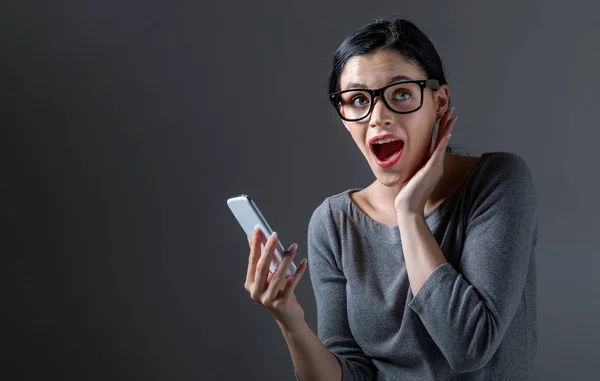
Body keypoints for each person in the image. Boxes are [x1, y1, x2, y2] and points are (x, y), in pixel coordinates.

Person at [244, 17, 538, 381]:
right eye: (357, 100)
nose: (378, 117)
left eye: (401, 93)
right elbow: (350, 374)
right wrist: (288, 318)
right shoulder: (334, 223)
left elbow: (469, 347)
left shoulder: (498, 183)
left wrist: (409, 213)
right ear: (343, 116)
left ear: (440, 102)